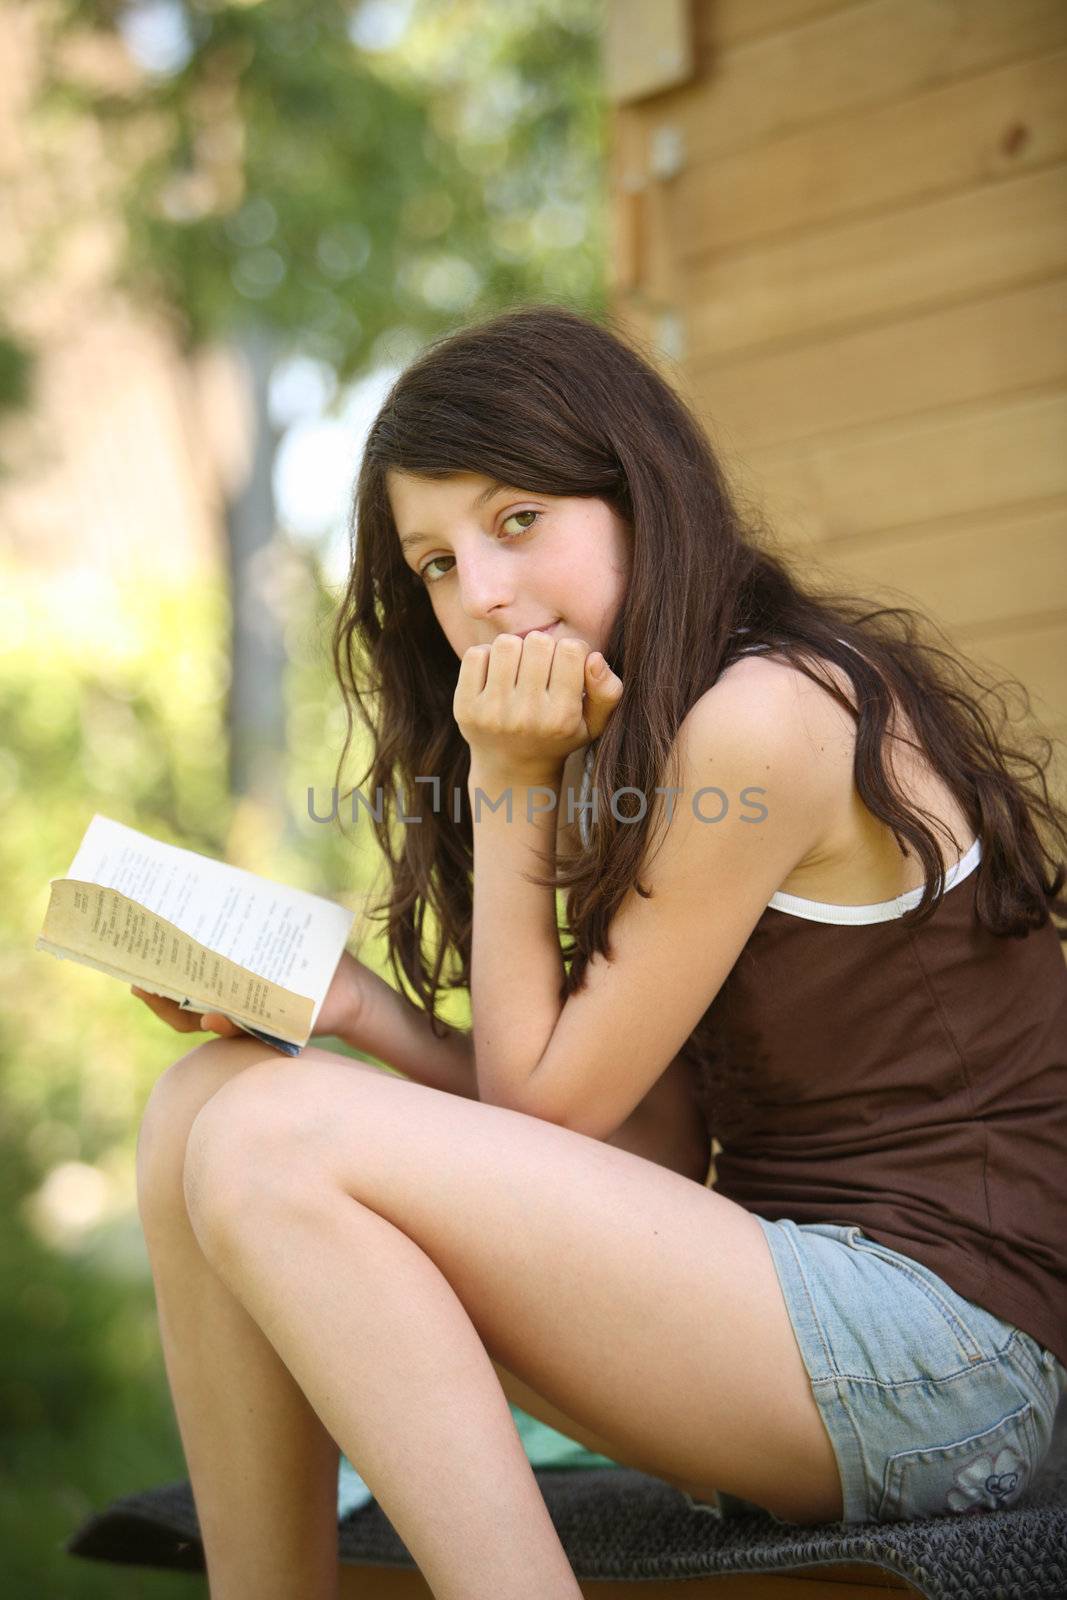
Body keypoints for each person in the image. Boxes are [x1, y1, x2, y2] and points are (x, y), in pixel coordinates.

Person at [133, 303, 1067, 1599]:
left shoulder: (766, 718)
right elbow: (632, 1150)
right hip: (786, 1319)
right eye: (438, 564)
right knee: (203, 1104)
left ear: (642, 499)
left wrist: (509, 786)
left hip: (958, 1365)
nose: (483, 594)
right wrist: (354, 1005)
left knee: (265, 1135)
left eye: (517, 521)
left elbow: (545, 1114)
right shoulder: (659, 722)